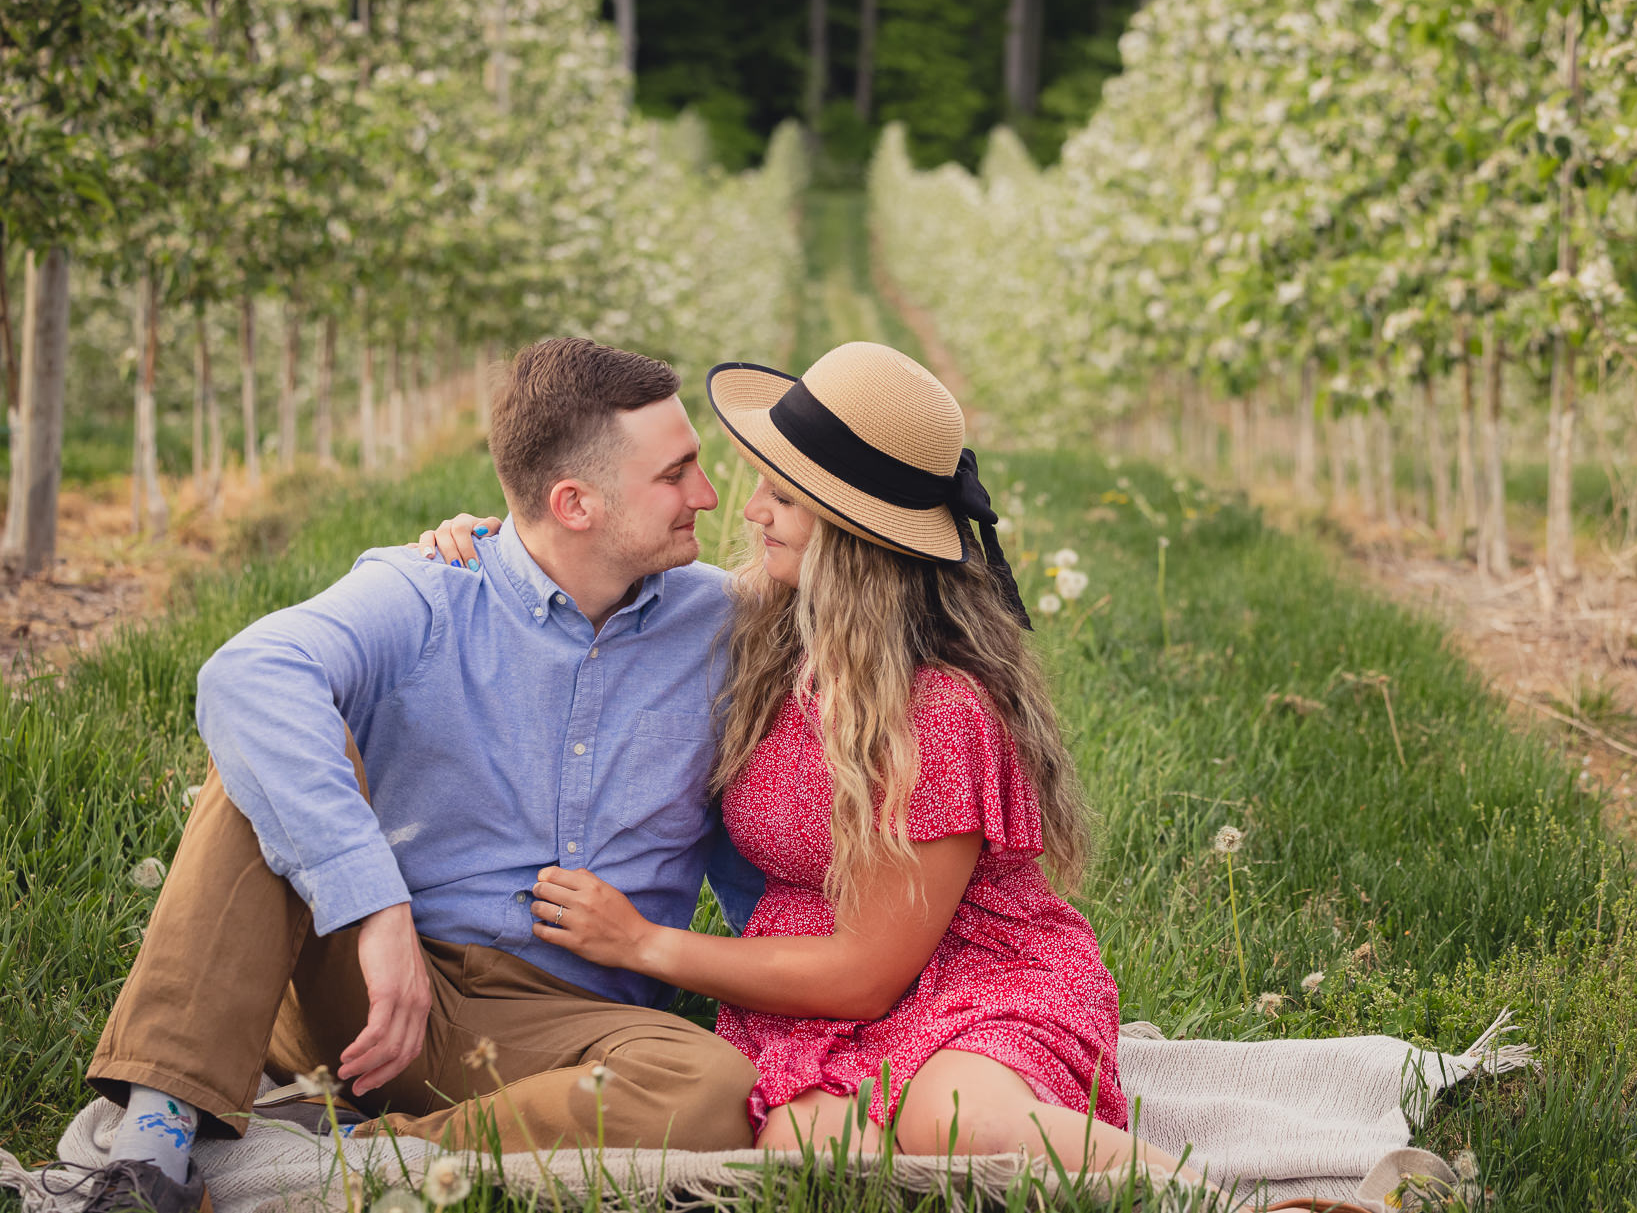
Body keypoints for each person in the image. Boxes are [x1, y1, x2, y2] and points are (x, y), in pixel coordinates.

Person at [424, 341, 1192, 1180]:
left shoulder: (936, 711)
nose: (749, 510)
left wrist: (643, 943)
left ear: (851, 537)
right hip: (801, 988)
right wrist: (501, 542)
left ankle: (1209, 1196)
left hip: (968, 974)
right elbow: (594, 573)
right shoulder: (764, 628)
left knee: (953, 1118)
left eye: (781, 496)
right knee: (817, 1159)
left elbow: (866, 974)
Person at [69, 338, 766, 1213]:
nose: (707, 494)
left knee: (713, 1088)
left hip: (568, 1030)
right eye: (678, 473)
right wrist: (375, 903)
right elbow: (246, 675)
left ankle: (360, 1160)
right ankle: (150, 1153)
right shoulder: (432, 586)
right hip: (368, 990)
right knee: (275, 741)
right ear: (574, 502)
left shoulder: (726, 625)